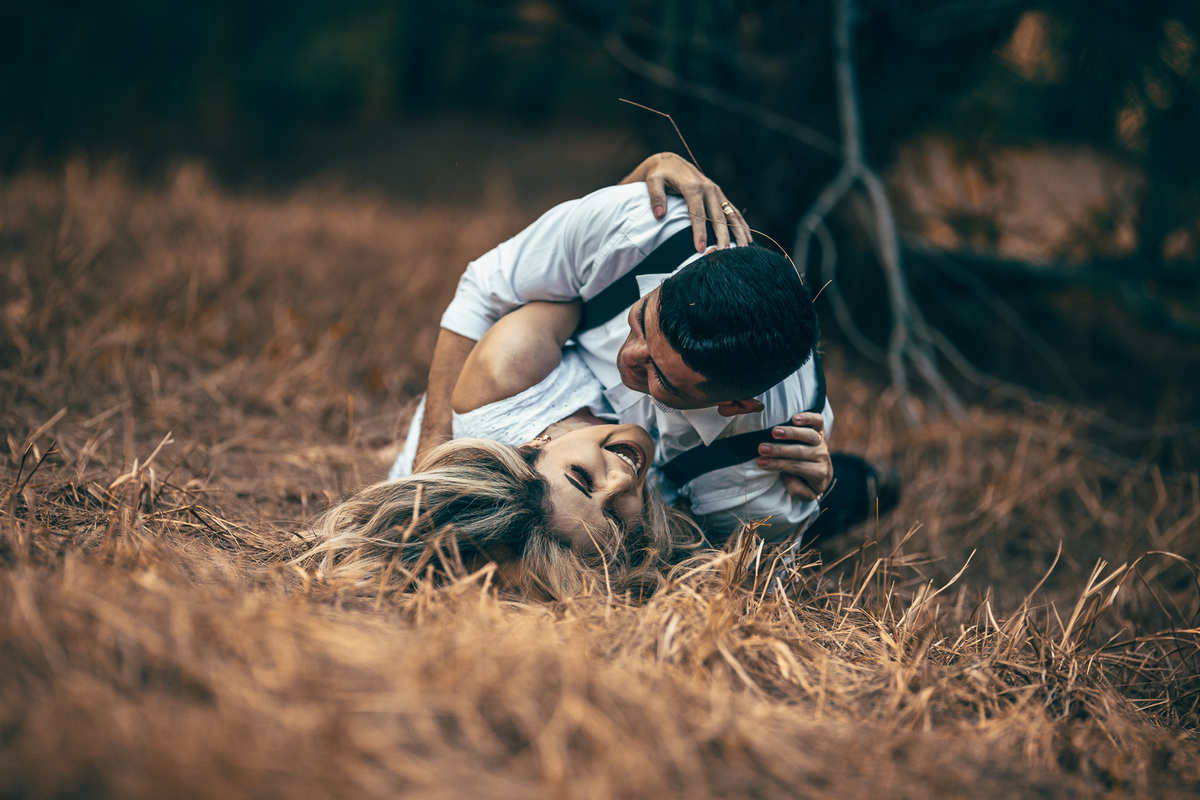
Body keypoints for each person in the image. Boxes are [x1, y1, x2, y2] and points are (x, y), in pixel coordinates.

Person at [410, 155, 841, 544]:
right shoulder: (638, 229)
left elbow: (754, 573)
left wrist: (814, 498)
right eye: (640, 323)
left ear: (735, 405)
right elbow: (486, 290)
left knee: (846, 502)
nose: (628, 359)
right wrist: (430, 457)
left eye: (661, 377)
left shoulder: (755, 468)